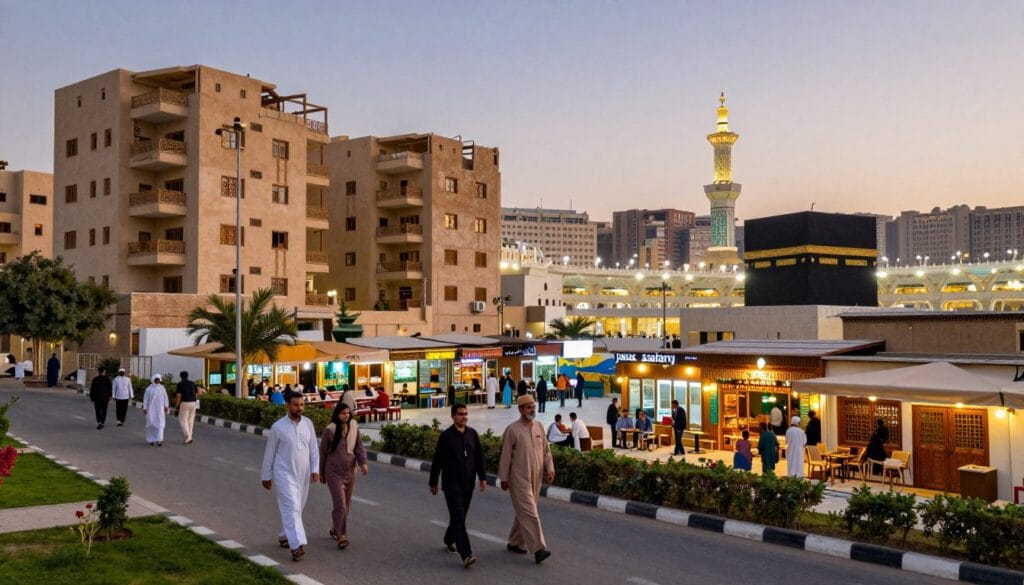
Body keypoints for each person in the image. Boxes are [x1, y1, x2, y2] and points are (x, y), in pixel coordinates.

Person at [262, 392, 320, 562]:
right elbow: (269, 453)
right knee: (292, 506)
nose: (299, 408)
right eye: (296, 405)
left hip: (302, 473)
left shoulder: (307, 424)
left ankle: (285, 535)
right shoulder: (278, 427)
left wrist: (315, 468)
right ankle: (297, 545)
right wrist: (266, 475)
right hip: (283, 473)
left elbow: (314, 448)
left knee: (297, 508)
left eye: (302, 405)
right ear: (287, 405)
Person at [430, 403, 487, 569]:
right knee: (459, 518)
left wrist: (482, 478)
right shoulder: (446, 436)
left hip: (468, 484)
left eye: (466, 414)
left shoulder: (472, 434)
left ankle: (449, 539)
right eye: (460, 414)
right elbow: (437, 460)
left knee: (459, 517)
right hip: (451, 485)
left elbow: (479, 458)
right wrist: (433, 482)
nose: (464, 417)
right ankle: (466, 554)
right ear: (453, 416)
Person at [499, 395, 554, 564]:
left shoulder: (539, 427)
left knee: (525, 511)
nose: (532, 410)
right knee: (530, 512)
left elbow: (546, 450)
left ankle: (515, 542)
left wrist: (550, 468)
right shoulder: (512, 429)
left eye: (533, 407)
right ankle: (539, 548)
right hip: (518, 477)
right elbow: (506, 455)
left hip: (536, 476)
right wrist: (504, 477)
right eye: (528, 407)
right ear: (521, 410)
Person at [319, 402, 368, 551]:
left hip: (350, 471)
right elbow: (323, 453)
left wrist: (363, 463)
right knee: (340, 504)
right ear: (337, 414)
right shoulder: (330, 430)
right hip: (333, 472)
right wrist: (321, 472)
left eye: (348, 413)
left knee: (346, 504)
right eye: (343, 413)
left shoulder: (354, 426)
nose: (346, 415)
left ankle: (335, 528)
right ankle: (342, 536)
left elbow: (359, 447)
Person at [143, 374, 169, 446]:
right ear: (153, 380)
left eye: (158, 379)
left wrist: (166, 406)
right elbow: (145, 399)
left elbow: (165, 397)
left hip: (160, 409)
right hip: (150, 410)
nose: (157, 381)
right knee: (151, 424)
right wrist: (145, 408)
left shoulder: (162, 388)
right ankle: (151, 439)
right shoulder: (149, 389)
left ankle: (159, 439)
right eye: (156, 379)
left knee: (161, 424)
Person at [175, 370, 200, 444]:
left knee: (183, 420)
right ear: (187, 376)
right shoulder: (192, 383)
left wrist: (177, 406)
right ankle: (190, 436)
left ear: (181, 377)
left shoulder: (180, 384)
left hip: (185, 403)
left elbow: (178, 396)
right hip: (193, 403)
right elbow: (197, 392)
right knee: (190, 420)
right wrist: (194, 399)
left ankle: (188, 436)